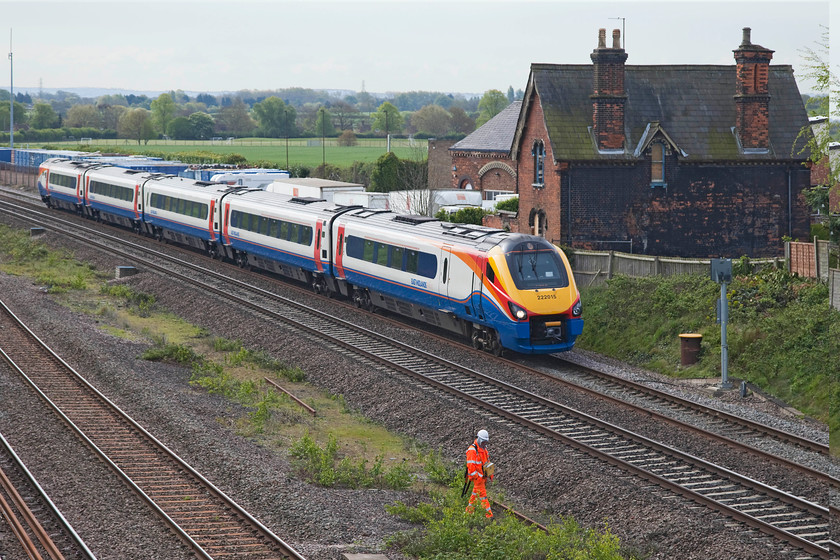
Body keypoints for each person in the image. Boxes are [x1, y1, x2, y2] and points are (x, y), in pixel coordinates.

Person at [464, 429, 493, 518]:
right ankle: (489, 516)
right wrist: (477, 477)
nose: (485, 444)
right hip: (478, 478)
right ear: (480, 440)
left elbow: (487, 461)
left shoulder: (483, 449)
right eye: (483, 442)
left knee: (475, 495)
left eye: (486, 442)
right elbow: (471, 467)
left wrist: (490, 474)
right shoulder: (472, 450)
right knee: (483, 496)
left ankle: (468, 512)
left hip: (482, 477)